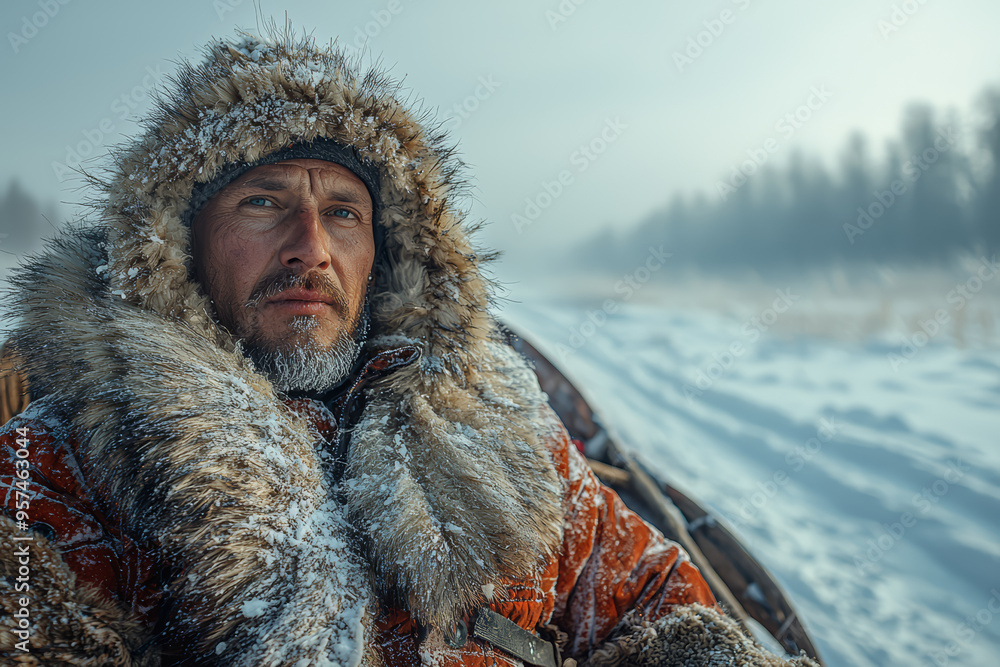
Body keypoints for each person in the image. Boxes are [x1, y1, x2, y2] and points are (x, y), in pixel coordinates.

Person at [0, 27, 817, 666]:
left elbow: (656, 603)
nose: (309, 246)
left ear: (386, 252)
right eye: (262, 202)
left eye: (344, 212)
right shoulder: (64, 461)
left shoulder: (506, 438)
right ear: (178, 243)